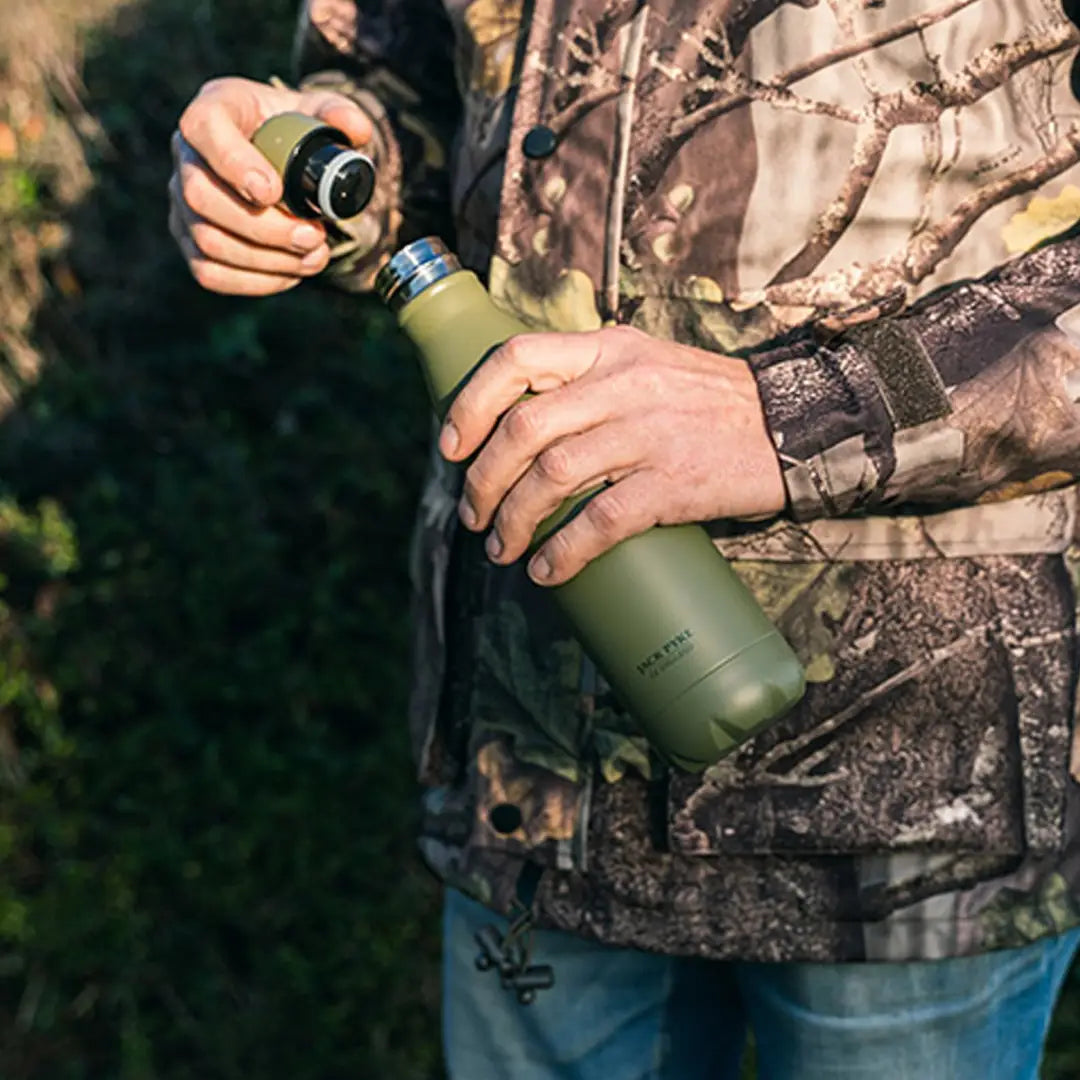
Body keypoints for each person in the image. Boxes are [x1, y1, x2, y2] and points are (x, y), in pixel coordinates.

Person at [168, 2, 1080, 1076]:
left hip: (910, 801)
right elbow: (422, 99)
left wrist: (790, 415)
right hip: (542, 767)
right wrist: (308, 172)